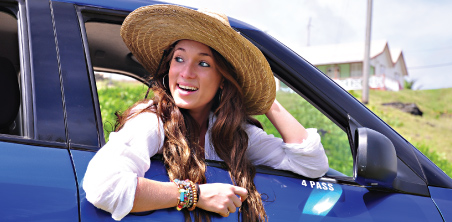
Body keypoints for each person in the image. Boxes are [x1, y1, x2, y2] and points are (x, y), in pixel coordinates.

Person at [83, 4, 328, 222]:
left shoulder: (232, 134)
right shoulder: (154, 120)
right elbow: (103, 186)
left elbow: (311, 163)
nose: (186, 73)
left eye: (203, 63)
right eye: (179, 59)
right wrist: (195, 195)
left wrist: (267, 101)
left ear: (223, 79)